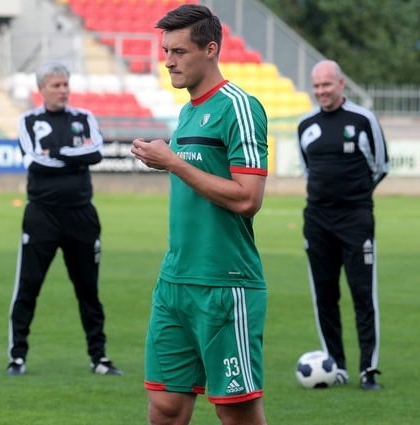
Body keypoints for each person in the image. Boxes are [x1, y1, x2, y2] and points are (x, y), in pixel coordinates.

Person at [131, 4, 269, 424]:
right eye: (165, 51)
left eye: (179, 51)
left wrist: (173, 162)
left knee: (237, 414)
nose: (168, 61)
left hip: (224, 285)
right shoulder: (188, 110)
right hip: (175, 282)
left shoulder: (239, 107)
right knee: (166, 408)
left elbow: (248, 198)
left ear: (211, 49)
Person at [6, 61, 122, 377]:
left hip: (82, 215)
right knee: (28, 287)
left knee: (88, 291)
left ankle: (99, 358)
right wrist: (74, 155)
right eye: (56, 85)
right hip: (42, 215)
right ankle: (17, 357)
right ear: (41, 89)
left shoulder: (83, 118)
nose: (62, 90)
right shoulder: (29, 121)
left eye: (65, 85)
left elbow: (96, 153)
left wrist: (59, 153)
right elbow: (34, 160)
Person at [297, 59, 389, 390]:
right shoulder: (305, 124)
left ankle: (368, 370)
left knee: (363, 294)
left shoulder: (364, 120)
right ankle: (336, 366)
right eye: (316, 86)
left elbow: (381, 166)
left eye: (327, 85)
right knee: (325, 295)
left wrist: (353, 199)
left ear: (341, 84)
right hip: (317, 220)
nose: (321, 91)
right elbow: (309, 170)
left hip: (356, 219)